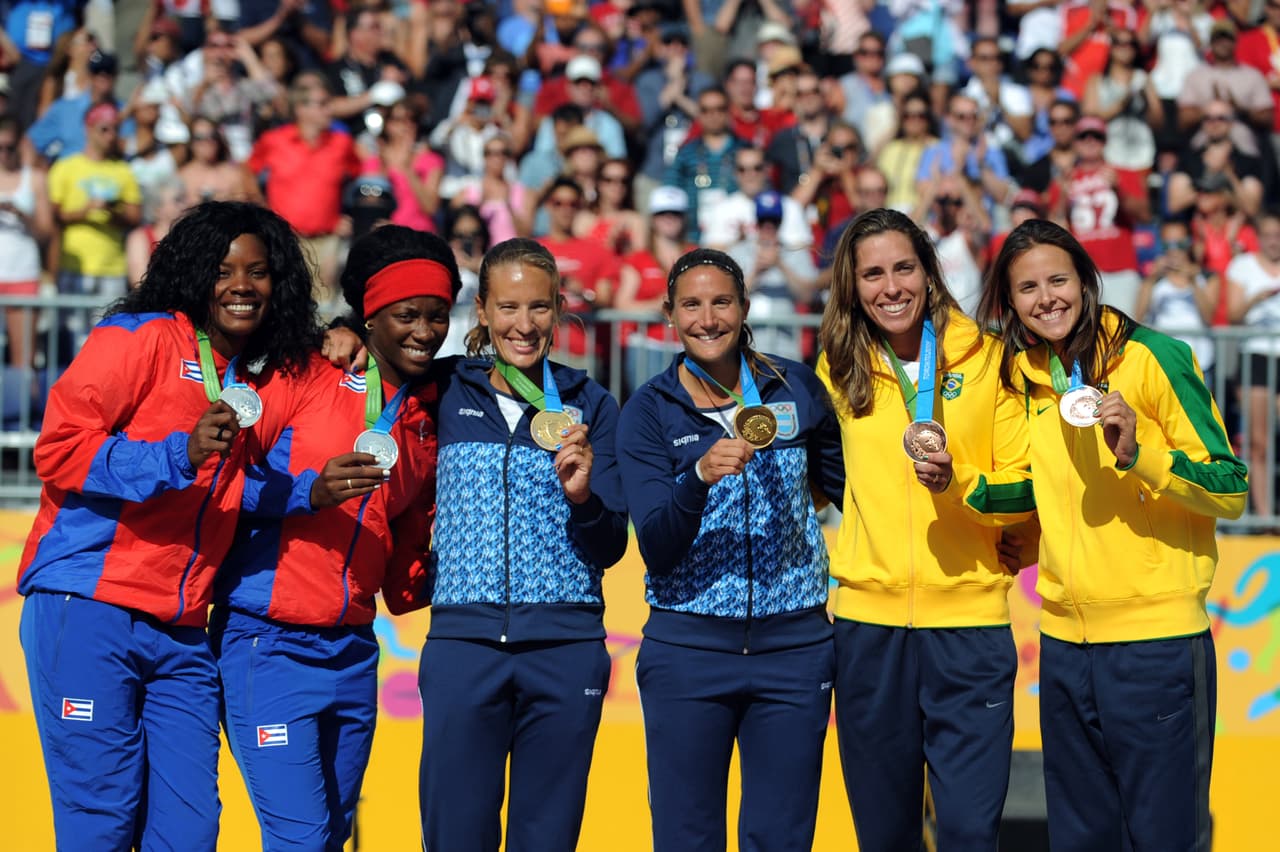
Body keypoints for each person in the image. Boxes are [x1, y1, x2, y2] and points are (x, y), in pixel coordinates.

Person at [16, 200, 321, 850]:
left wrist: (313, 491)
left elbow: (241, 488)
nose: (242, 284)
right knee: (102, 817)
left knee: (188, 829)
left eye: (259, 271)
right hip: (89, 606)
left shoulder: (258, 375)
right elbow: (59, 448)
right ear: (192, 273)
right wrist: (176, 454)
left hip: (182, 631)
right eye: (223, 269)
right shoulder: (142, 336)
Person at [979, 218, 1247, 852]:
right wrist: (962, 491)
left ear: (1086, 279)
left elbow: (1231, 487)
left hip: (1155, 643)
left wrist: (1141, 454)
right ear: (1009, 301)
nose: (1046, 298)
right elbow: (1042, 490)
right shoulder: (1024, 377)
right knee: (1080, 838)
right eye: (1026, 288)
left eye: (1058, 280)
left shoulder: (1152, 355)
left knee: (1163, 838)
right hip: (1064, 644)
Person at [213, 225, 453, 850]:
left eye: (437, 316)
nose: (424, 332)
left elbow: (402, 558)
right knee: (300, 837)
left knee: (332, 834)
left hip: (352, 650)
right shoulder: (305, 372)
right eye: (406, 315)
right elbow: (217, 479)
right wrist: (306, 493)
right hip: (268, 640)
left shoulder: (429, 414)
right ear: (369, 316)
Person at [816, 208, 1035, 851]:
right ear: (852, 286)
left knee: (969, 831)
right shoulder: (838, 366)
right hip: (868, 628)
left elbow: (1026, 487)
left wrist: (961, 483)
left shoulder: (992, 358)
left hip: (969, 628)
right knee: (885, 837)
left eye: (904, 267)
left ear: (930, 272)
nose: (891, 287)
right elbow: (823, 476)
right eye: (873, 274)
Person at [616, 248, 845, 851]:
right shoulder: (647, 410)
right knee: (687, 837)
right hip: (689, 651)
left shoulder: (793, 384)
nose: (708, 318)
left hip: (794, 650)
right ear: (669, 315)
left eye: (722, 302)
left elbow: (850, 491)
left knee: (783, 837)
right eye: (691, 304)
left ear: (744, 308)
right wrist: (696, 479)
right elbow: (658, 549)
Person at [418, 238, 629, 852]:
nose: (524, 325)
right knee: (456, 834)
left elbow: (611, 545)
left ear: (559, 310)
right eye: (507, 308)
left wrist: (584, 499)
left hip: (565, 649)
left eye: (539, 308)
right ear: (481, 311)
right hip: (464, 645)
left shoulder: (591, 403)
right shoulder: (444, 388)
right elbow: (375, 361)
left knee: (548, 838)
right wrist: (348, 331)